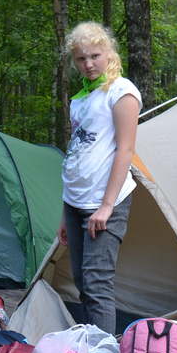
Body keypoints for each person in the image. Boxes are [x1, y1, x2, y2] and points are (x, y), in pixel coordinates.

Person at [58, 22, 141, 335]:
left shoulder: (122, 92)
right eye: (81, 58)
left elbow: (126, 150)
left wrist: (106, 206)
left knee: (97, 284)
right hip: (75, 201)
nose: (89, 64)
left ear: (109, 53)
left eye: (95, 55)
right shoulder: (80, 98)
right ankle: (89, 350)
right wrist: (63, 215)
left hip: (105, 202)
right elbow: (76, 154)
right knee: (82, 282)